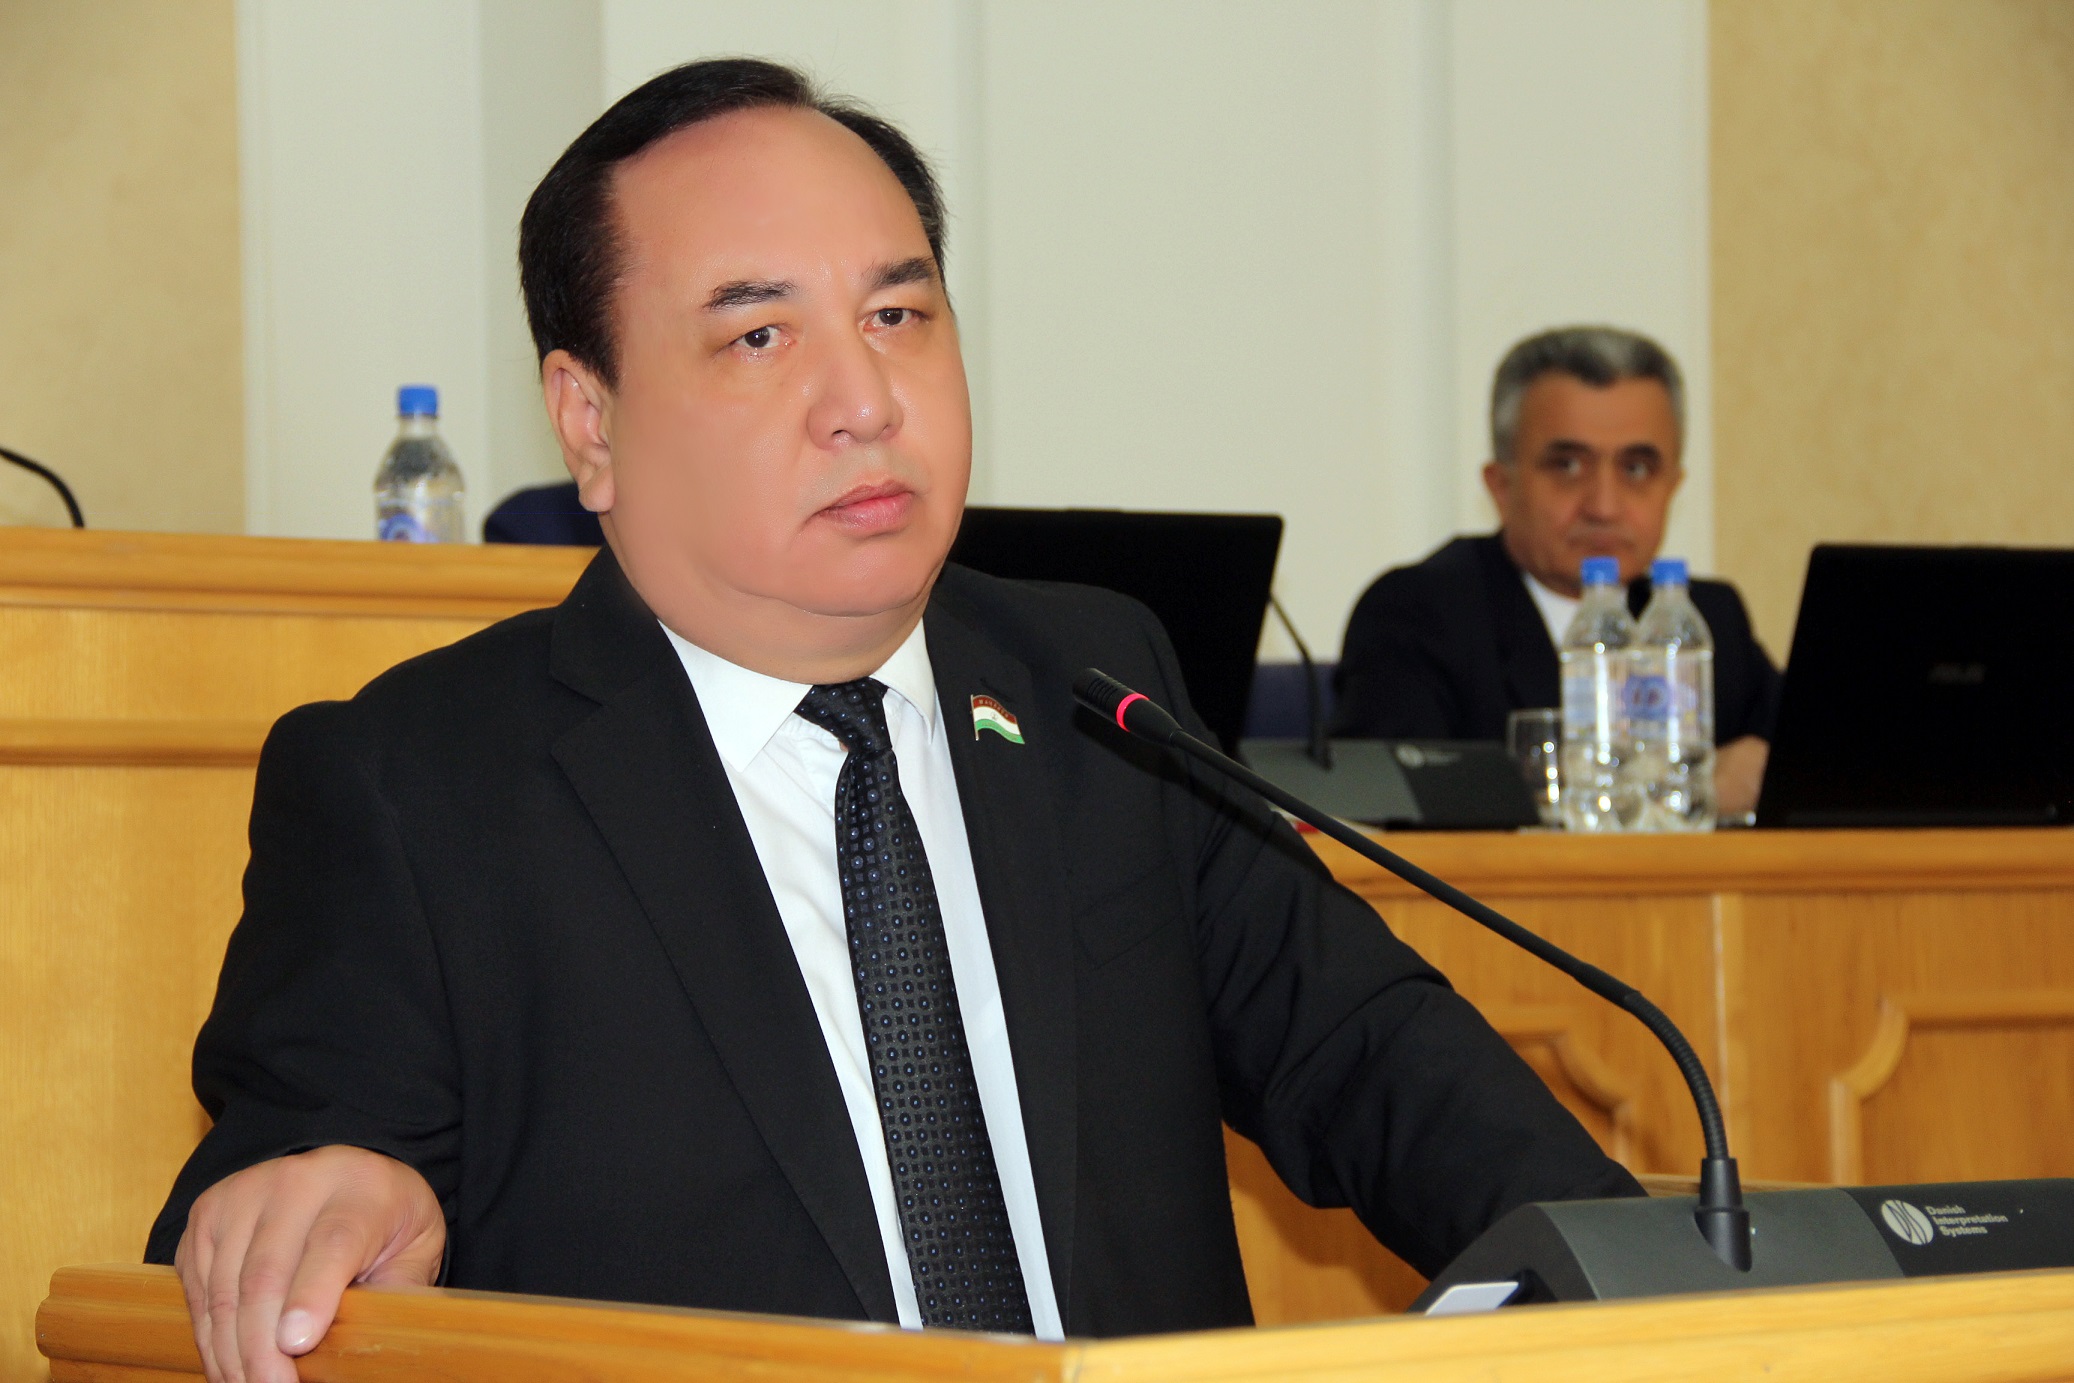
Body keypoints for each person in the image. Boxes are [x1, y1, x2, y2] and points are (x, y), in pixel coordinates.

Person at [147, 60, 1640, 1383]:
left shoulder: (1088, 684)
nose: (862, 398)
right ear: (589, 420)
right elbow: (279, 1198)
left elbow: (1369, 1055)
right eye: (759, 336)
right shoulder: (419, 784)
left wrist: (1647, 1288)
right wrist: (318, 1202)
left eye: (897, 314)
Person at [1330, 327, 1782, 816]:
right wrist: (1685, 793)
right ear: (1500, 486)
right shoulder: (1418, 613)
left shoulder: (1708, 620)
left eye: (1636, 469)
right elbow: (1395, 805)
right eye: (1567, 465)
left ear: (1673, 485)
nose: (1604, 506)